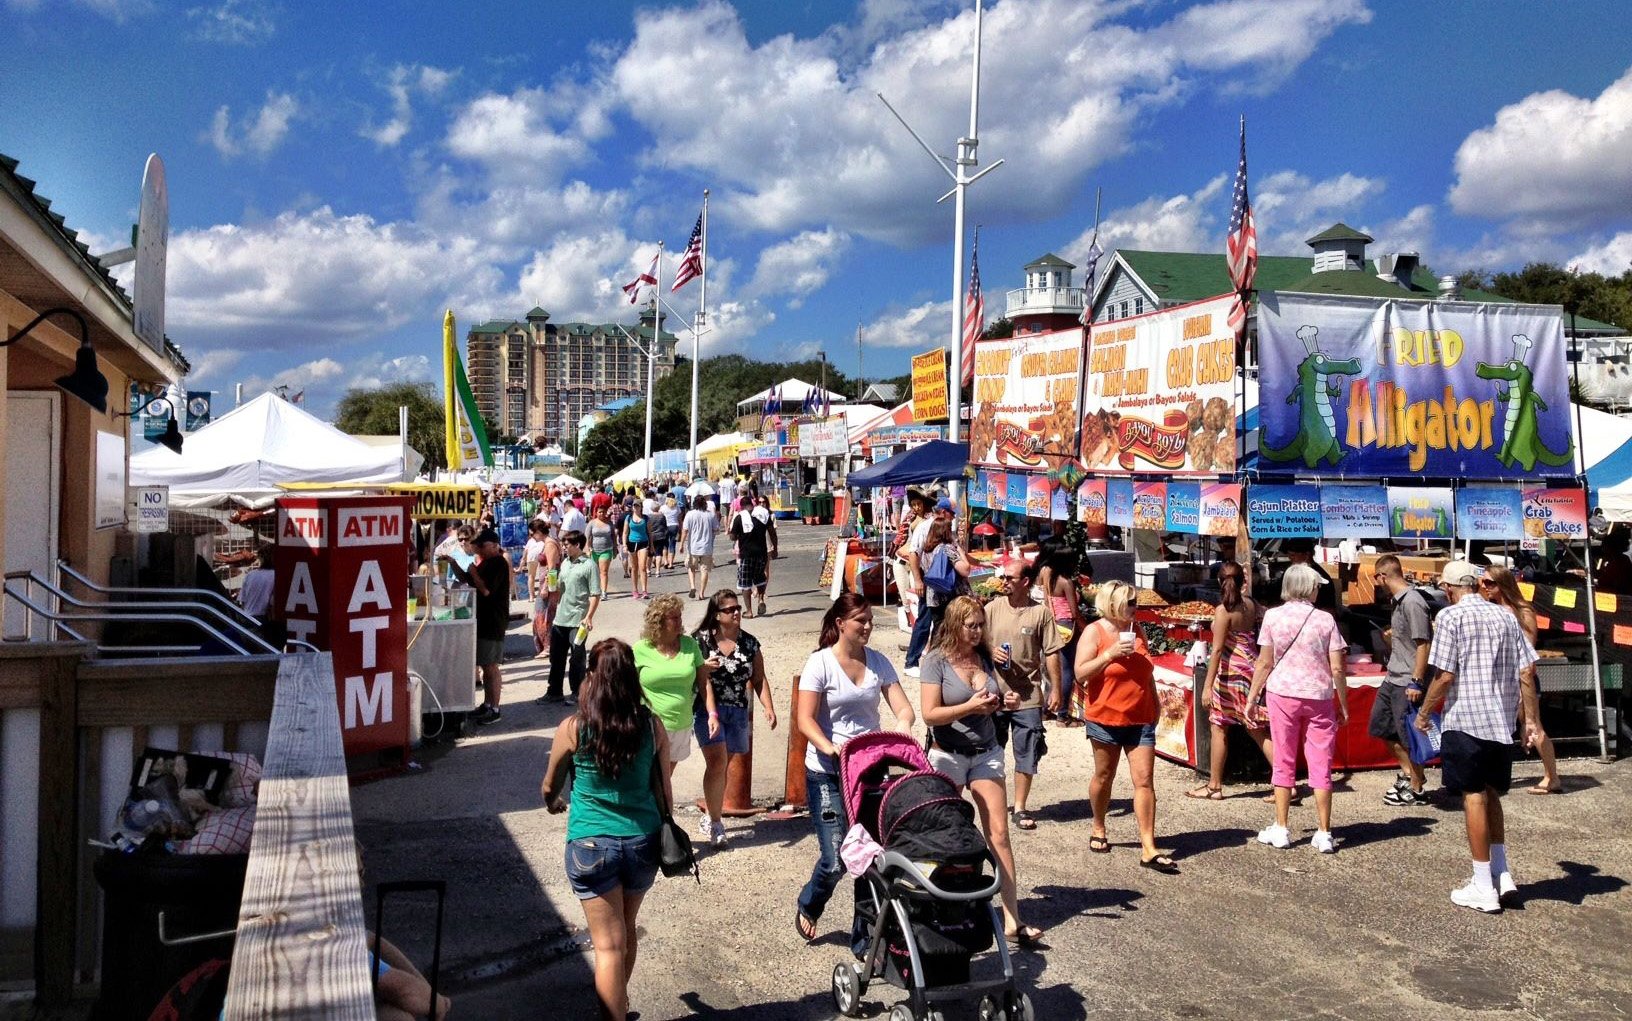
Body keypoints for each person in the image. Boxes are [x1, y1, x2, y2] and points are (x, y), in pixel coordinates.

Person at [541, 638, 667, 1021]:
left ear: (592, 676)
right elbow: (662, 792)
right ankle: (620, 1006)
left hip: (591, 842)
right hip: (642, 838)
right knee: (625, 932)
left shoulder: (574, 727)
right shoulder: (650, 724)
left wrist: (553, 803)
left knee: (607, 947)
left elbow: (550, 785)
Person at [1418, 561, 1543, 913]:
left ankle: (1483, 883)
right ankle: (1502, 874)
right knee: (1491, 794)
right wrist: (1529, 720)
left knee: (1473, 797)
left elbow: (1444, 675)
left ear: (1448, 589)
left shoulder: (1449, 617)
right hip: (1500, 720)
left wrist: (1426, 713)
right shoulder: (1505, 616)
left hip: (1467, 718)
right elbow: (1526, 671)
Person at [919, 595, 1043, 945]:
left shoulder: (985, 656)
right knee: (944, 836)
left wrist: (1005, 703)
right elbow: (930, 714)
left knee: (999, 835)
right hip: (948, 755)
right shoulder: (935, 661)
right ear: (955, 626)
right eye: (970, 626)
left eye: (980, 625)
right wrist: (969, 706)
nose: (976, 631)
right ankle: (939, 912)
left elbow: (995, 697)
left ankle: (1012, 920)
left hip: (986, 752)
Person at [793, 593, 916, 946]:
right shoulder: (820, 664)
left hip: (870, 771)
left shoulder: (878, 663)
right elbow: (805, 720)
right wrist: (829, 746)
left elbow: (903, 710)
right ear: (840, 624)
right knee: (836, 861)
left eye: (870, 621)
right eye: (860, 621)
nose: (867, 626)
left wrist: (903, 729)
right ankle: (810, 903)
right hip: (828, 772)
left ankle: (865, 939)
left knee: (871, 858)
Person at [1247, 563, 1348, 853]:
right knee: (1321, 762)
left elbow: (1264, 662)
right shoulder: (1325, 620)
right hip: (1318, 694)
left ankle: (1281, 827)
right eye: (1316, 585)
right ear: (1309, 587)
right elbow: (1338, 668)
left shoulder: (1273, 617)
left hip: (1282, 692)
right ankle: (1324, 831)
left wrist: (1253, 697)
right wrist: (1341, 702)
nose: (1318, 590)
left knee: (1284, 759)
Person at [1075, 580, 1174, 871]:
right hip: (1105, 716)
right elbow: (1081, 673)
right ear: (1112, 603)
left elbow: (1147, 671)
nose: (1136, 607)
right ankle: (1098, 825)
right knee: (1104, 776)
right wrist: (1109, 655)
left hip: (1140, 717)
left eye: (1135, 602)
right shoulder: (1094, 632)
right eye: (1130, 602)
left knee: (1144, 780)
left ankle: (1148, 847)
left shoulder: (1137, 629)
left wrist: (1155, 702)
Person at [692, 589, 777, 847]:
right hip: (707, 711)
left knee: (722, 767)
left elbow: (759, 679)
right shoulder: (701, 640)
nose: (736, 612)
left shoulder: (750, 643)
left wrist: (768, 707)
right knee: (717, 764)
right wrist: (703, 667)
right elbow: (691, 672)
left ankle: (711, 811)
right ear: (717, 615)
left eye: (737, 608)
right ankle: (716, 824)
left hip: (738, 711)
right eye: (729, 609)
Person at [983, 556, 1061, 830]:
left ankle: (1020, 807)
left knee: (1027, 751)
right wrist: (989, 651)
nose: (1003, 582)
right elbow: (974, 642)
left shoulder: (1040, 614)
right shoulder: (992, 608)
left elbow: (1051, 652)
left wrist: (1055, 689)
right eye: (1003, 577)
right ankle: (994, 803)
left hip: (1027, 695)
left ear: (1025, 582)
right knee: (991, 752)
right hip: (994, 693)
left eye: (1009, 578)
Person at [1188, 559, 1274, 800]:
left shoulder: (1223, 610)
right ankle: (1284, 781)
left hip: (1229, 672)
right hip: (1250, 668)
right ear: (1242, 581)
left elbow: (1216, 651)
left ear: (1219, 581)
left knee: (1220, 726)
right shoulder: (1251, 604)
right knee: (1254, 727)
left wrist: (1206, 687)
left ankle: (1215, 785)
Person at [1479, 565, 1561, 795]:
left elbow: (1527, 650)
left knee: (1533, 726)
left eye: (1489, 583)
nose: (1484, 587)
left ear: (1503, 584)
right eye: (1482, 582)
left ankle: (1552, 776)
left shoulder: (1523, 610)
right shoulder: (1491, 609)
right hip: (1501, 678)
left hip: (1521, 678)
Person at [1369, 555, 1433, 806]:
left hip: (1407, 678)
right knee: (1382, 727)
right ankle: (1410, 775)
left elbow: (1423, 644)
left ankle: (1416, 787)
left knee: (1409, 736)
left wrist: (1416, 680)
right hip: (1393, 675)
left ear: (1382, 576)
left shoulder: (1413, 602)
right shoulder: (1398, 602)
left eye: (1376, 579)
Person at [634, 593, 717, 776]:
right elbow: (626, 686)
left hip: (681, 724)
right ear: (659, 621)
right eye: (674, 617)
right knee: (648, 777)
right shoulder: (640, 649)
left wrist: (712, 714)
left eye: (680, 616)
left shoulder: (689, 645)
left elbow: (704, 683)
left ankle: (662, 805)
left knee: (664, 779)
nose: (680, 621)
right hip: (650, 726)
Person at [437, 528, 511, 725]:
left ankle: (494, 708)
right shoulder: (486, 562)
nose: (476, 548)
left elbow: (485, 590)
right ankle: (487, 705)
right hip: (483, 620)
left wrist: (471, 570)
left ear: (493, 546)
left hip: (493, 621)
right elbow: (467, 581)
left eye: (481, 545)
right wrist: (454, 564)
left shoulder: (498, 563)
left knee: (491, 666)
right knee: (485, 665)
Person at [541, 529, 601, 704]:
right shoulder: (565, 563)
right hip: (560, 618)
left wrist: (589, 616)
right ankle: (554, 691)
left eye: (567, 544)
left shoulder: (589, 565)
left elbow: (595, 594)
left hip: (578, 620)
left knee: (577, 658)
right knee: (556, 657)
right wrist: (551, 585)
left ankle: (578, 693)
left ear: (577, 545)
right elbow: (558, 587)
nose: (564, 547)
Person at [903, 498, 958, 678]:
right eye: (951, 513)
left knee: (940, 623)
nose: (953, 517)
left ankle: (935, 660)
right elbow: (913, 553)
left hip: (941, 584)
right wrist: (918, 580)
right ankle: (911, 661)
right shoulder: (925, 527)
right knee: (924, 622)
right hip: (928, 582)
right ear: (943, 512)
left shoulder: (944, 526)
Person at [1036, 534, 1085, 725]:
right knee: (1067, 670)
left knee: (1051, 668)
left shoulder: (1049, 578)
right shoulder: (1066, 582)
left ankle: (1046, 709)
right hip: (1066, 626)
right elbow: (1074, 612)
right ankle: (1063, 715)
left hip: (1053, 623)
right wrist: (1086, 627)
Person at [729, 496, 771, 618]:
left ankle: (749, 611)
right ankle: (761, 600)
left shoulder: (739, 517)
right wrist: (775, 548)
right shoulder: (762, 514)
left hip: (746, 554)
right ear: (752, 504)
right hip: (761, 553)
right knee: (760, 578)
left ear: (741, 506)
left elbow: (733, 536)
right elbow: (771, 531)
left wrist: (736, 535)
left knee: (745, 583)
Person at [680, 494, 718, 599]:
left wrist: (682, 544)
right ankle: (702, 593)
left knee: (691, 567)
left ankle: (692, 586)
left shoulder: (690, 514)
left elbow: (685, 530)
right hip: (707, 547)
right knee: (704, 570)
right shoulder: (710, 515)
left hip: (693, 546)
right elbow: (716, 529)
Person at [587, 505, 617, 599]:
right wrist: (588, 549)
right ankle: (596, 590)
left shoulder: (609, 523)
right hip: (594, 550)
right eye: (599, 512)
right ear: (596, 513)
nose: (601, 514)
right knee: (595, 572)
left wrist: (615, 549)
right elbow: (587, 537)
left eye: (603, 512)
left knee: (603, 572)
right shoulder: (592, 523)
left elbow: (613, 536)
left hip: (606, 549)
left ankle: (604, 592)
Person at [624, 497, 652, 599]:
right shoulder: (629, 518)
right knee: (634, 568)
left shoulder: (646, 518)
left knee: (643, 567)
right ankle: (635, 590)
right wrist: (624, 545)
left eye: (637, 506)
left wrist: (652, 546)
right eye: (634, 506)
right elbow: (625, 532)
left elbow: (650, 533)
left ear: (641, 507)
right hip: (632, 543)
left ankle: (644, 590)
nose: (635, 508)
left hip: (643, 543)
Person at [660, 494, 682, 572]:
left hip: (665, 526)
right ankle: (671, 563)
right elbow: (679, 519)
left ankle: (665, 561)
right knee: (672, 544)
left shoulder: (663, 508)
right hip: (674, 526)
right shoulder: (677, 508)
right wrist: (680, 529)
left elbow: (660, 517)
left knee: (665, 545)